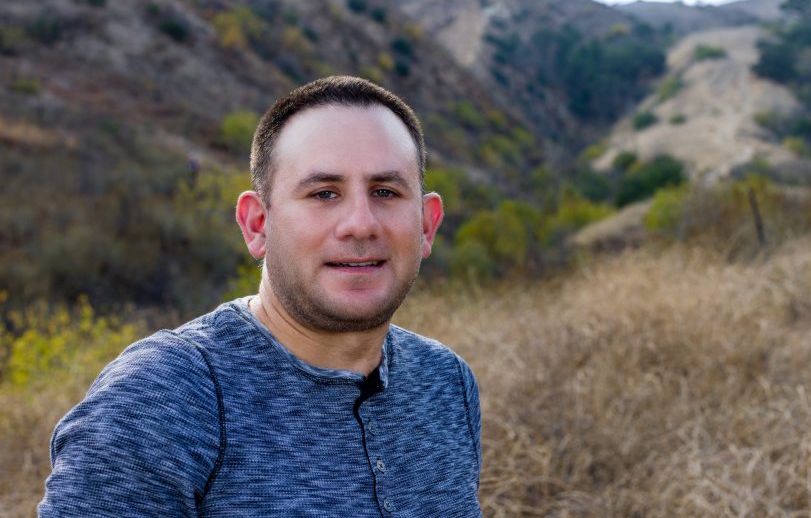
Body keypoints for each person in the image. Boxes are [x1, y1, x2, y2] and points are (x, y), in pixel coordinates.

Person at [39, 76, 482, 517]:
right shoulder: (161, 399)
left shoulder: (446, 383)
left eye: (385, 192)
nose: (361, 224)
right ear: (257, 225)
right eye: (324, 194)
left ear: (426, 225)